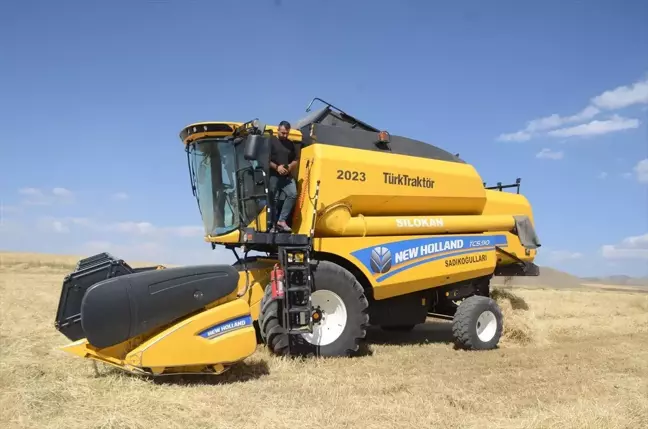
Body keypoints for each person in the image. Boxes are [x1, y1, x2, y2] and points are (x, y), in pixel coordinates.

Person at [269, 120, 298, 232]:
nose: (284, 135)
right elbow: (265, 159)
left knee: (293, 194)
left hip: (286, 176)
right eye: (282, 133)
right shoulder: (271, 141)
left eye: (286, 133)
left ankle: (282, 220)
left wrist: (290, 166)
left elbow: (296, 159)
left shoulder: (290, 144)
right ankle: (272, 224)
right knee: (274, 199)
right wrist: (277, 168)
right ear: (278, 130)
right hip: (273, 175)